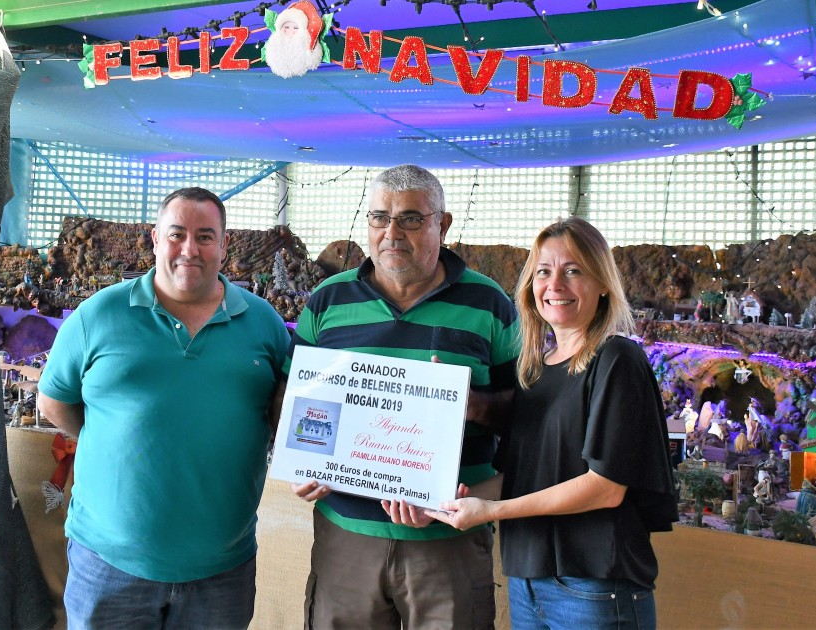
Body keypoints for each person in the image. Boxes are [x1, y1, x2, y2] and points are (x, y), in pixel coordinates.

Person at [36, 187, 289, 630]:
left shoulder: (263, 321)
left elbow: (282, 413)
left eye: (206, 236)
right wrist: (115, 437)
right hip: (109, 565)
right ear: (155, 238)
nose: (190, 249)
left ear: (224, 244)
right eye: (177, 234)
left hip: (221, 570)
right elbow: (54, 403)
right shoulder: (99, 315)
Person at [287, 164, 519, 629]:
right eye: (379, 218)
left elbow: (523, 413)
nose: (392, 232)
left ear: (443, 224)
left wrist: (473, 404)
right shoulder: (326, 301)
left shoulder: (490, 304)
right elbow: (300, 401)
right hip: (347, 533)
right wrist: (305, 462)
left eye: (411, 218)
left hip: (447, 535)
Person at [429, 217, 677, 629]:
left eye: (573, 270)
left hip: (595, 586)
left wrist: (490, 510)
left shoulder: (617, 360)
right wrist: (444, 502)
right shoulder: (536, 372)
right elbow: (519, 478)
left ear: (602, 283)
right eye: (543, 271)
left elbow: (605, 488)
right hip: (528, 583)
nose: (554, 285)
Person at [263, 1, 325, 78]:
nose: (291, 32)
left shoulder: (306, 43)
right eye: (286, 27)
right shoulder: (274, 46)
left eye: (295, 28)